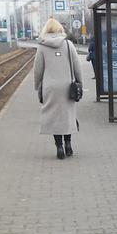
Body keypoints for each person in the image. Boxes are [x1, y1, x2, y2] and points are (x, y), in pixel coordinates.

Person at [33, 18, 82, 159]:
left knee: (54, 117)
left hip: (50, 87)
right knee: (67, 116)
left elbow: (38, 69)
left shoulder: (42, 46)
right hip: (67, 86)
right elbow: (77, 65)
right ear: (60, 29)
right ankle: (68, 145)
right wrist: (80, 83)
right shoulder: (68, 45)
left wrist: (37, 86)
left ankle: (59, 148)